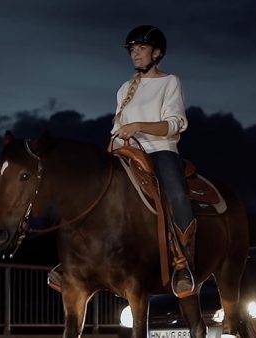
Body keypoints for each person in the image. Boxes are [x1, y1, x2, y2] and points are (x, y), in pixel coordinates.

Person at [48, 25, 197, 298]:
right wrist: (108, 153)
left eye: (141, 49)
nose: (135, 54)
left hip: (160, 149)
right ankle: (71, 260)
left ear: (157, 52)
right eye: (132, 50)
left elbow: (176, 124)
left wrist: (138, 125)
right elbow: (117, 128)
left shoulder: (169, 82)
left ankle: (183, 262)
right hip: (123, 152)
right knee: (90, 191)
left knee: (176, 193)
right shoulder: (124, 89)